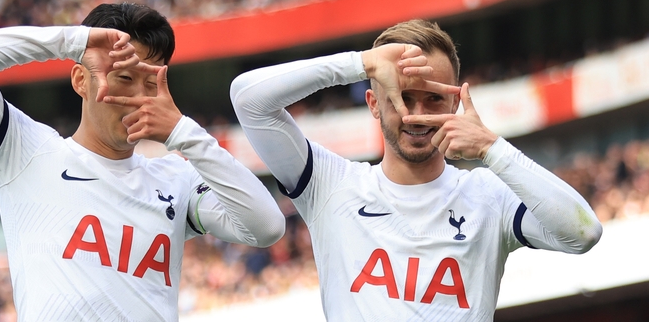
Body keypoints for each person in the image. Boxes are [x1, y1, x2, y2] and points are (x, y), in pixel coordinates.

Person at [0, 2, 285, 321]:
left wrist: (184, 132)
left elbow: (266, 226)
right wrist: (72, 41)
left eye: (152, 82)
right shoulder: (26, 153)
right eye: (126, 78)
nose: (139, 98)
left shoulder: (178, 179)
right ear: (81, 80)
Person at [230, 19, 602, 321]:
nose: (418, 115)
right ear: (374, 104)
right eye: (403, 97)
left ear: (455, 102)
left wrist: (493, 149)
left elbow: (582, 233)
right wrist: (360, 63)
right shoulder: (330, 186)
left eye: (434, 98)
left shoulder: (488, 195)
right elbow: (248, 101)